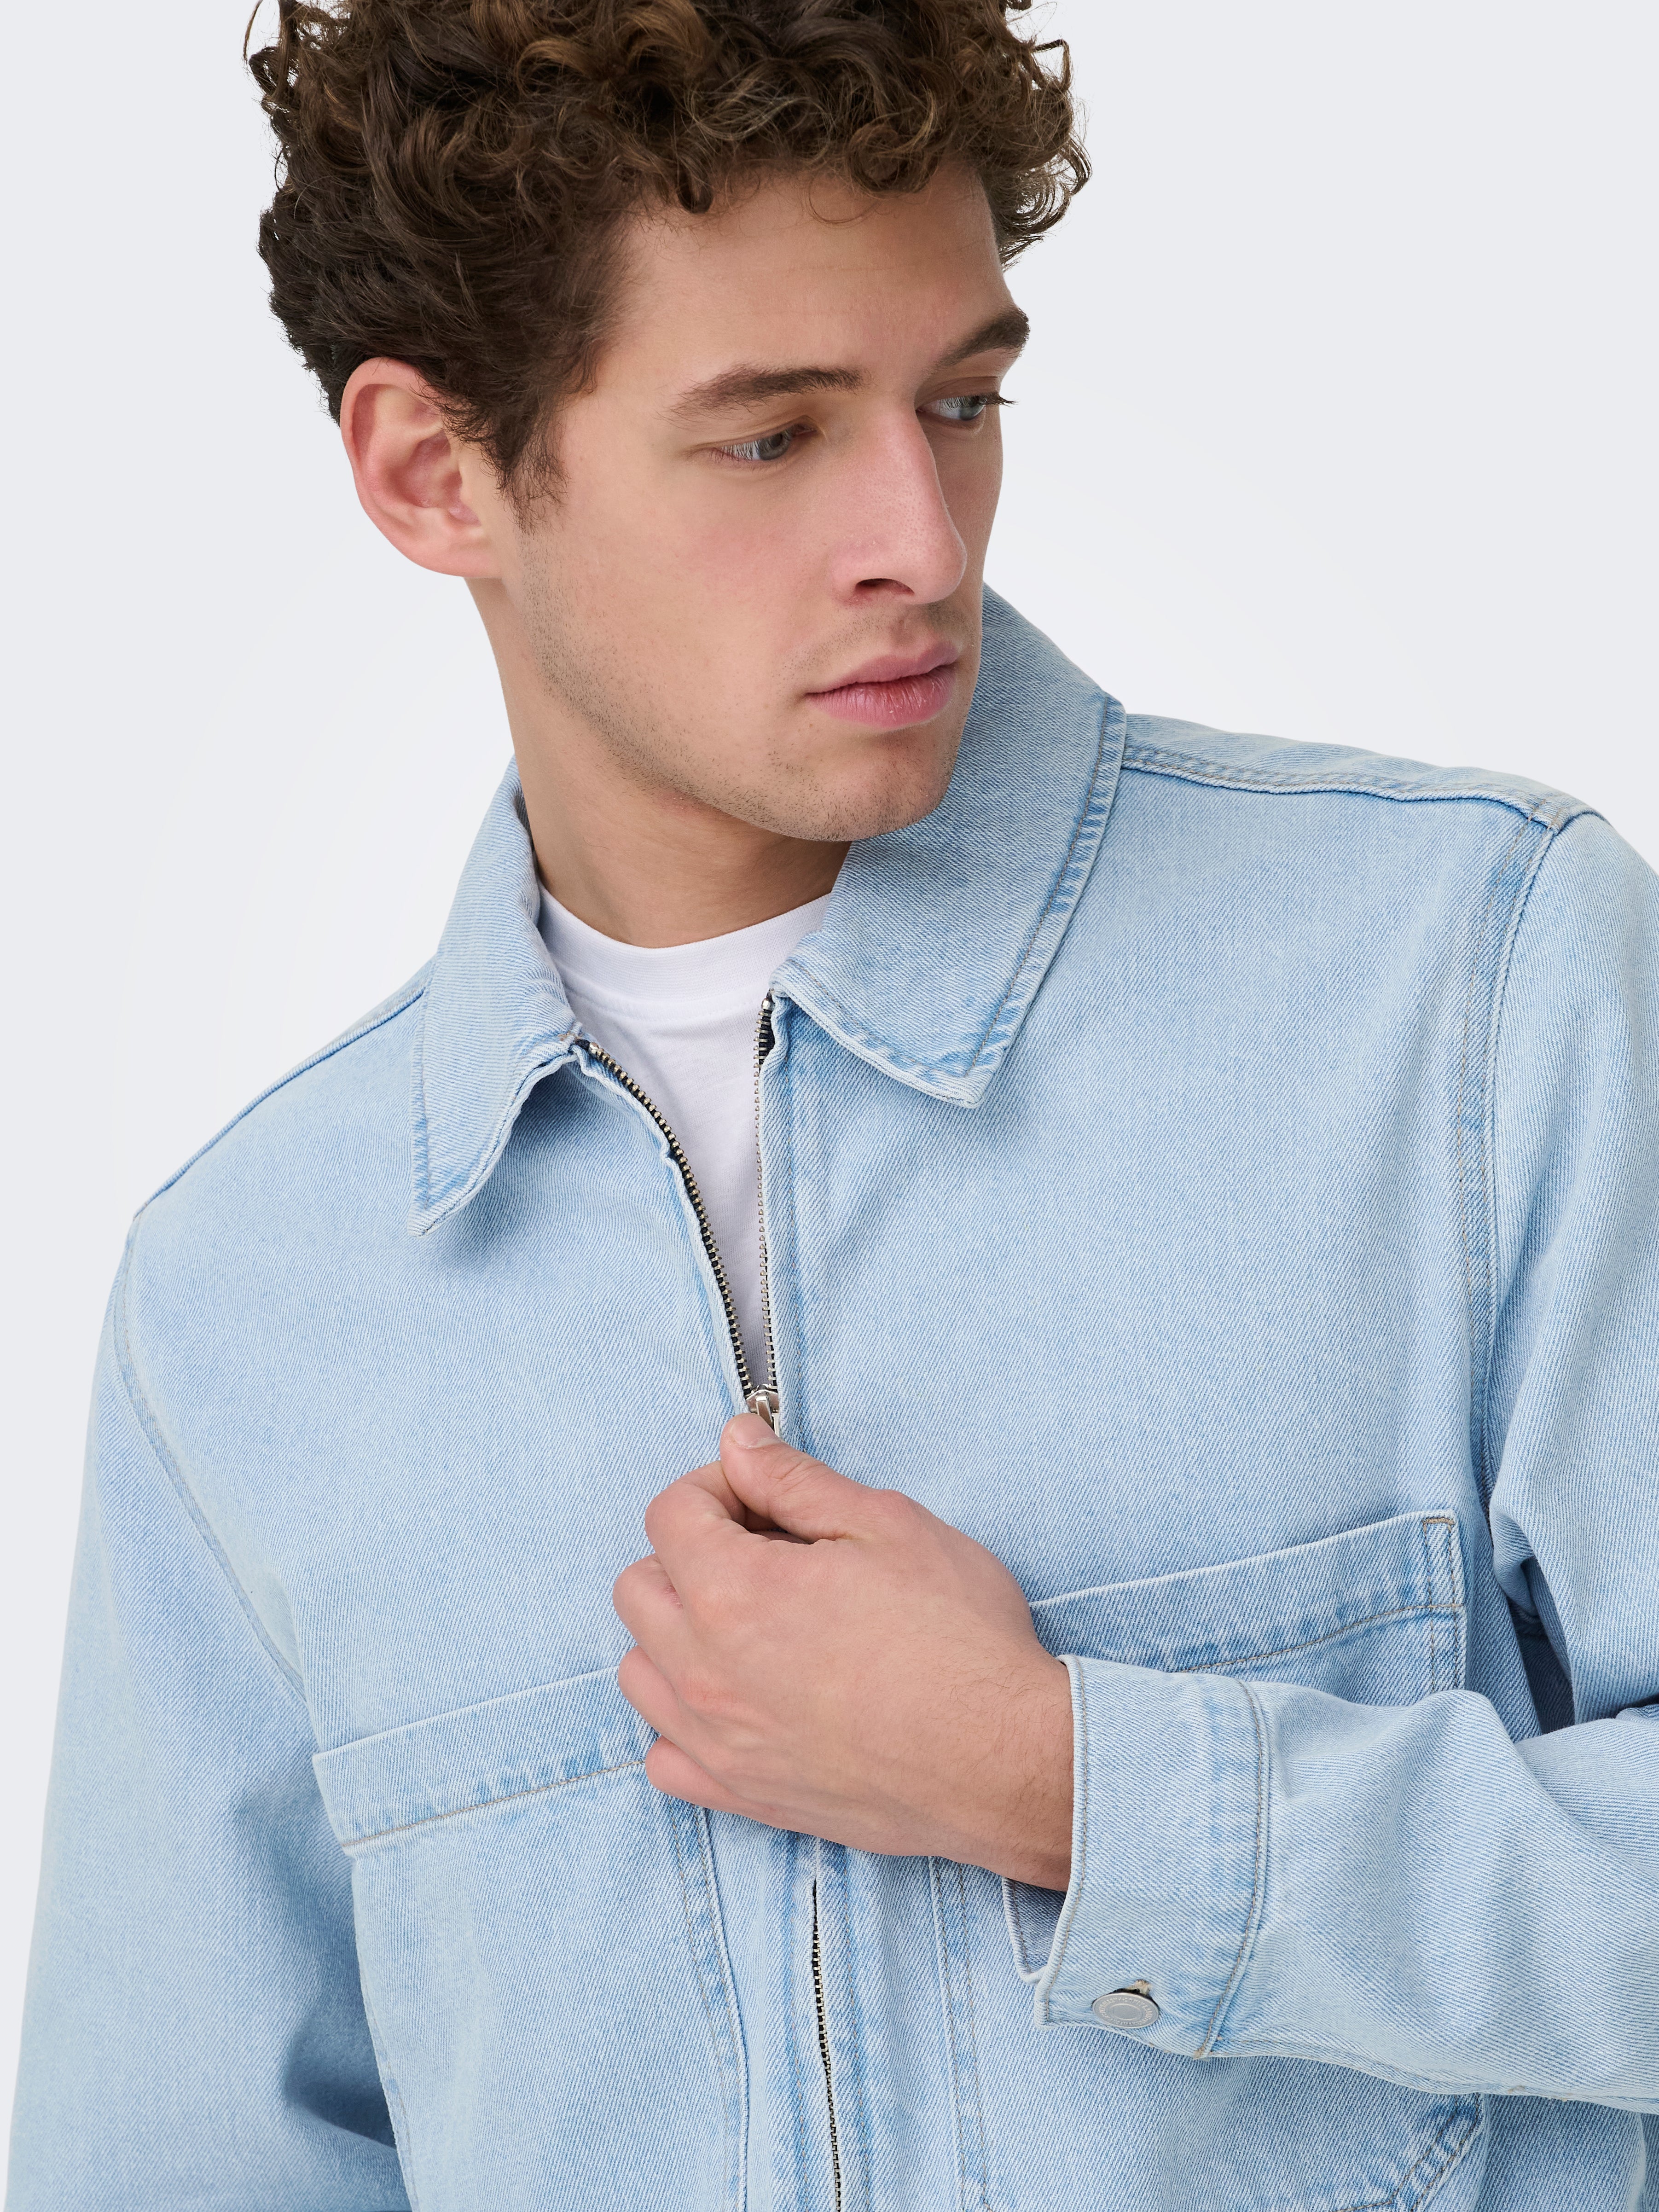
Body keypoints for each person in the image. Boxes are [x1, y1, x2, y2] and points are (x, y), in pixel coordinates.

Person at [9, 0, 1659, 2203]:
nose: (921, 537)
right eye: (772, 436)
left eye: (960, 402)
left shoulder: (1466, 980)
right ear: (433, 472)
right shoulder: (249, 1296)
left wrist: (1070, 1782)